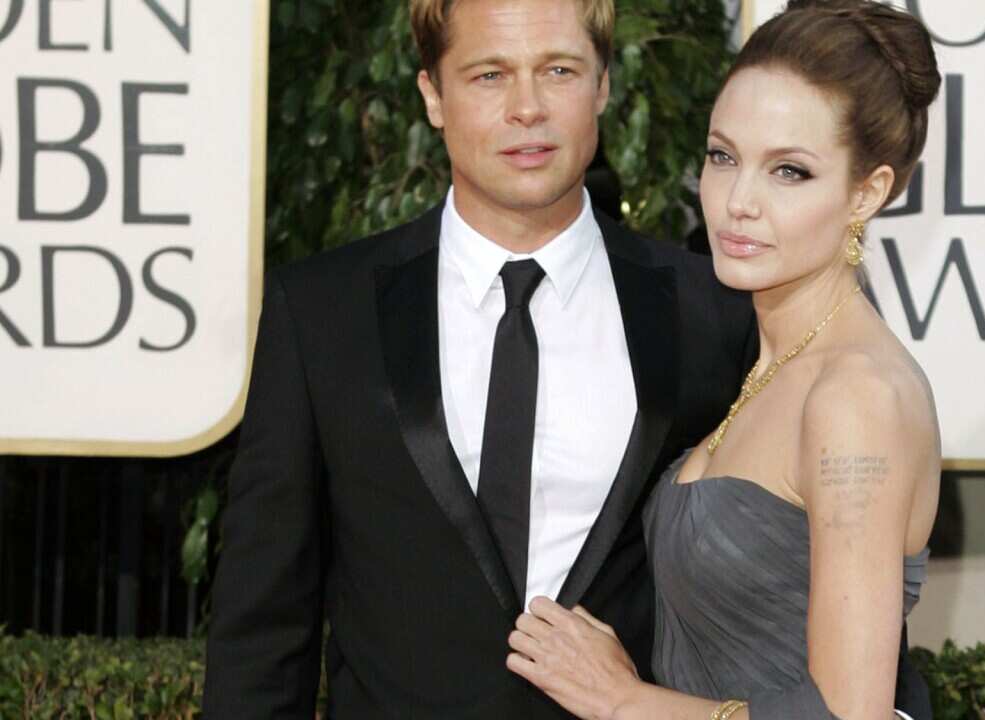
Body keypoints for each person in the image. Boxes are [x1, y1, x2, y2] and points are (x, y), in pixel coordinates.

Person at [201, 0, 927, 716]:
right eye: (489, 75)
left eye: (558, 69)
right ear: (432, 94)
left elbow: (837, 632)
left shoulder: (716, 313)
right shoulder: (324, 313)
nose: (527, 108)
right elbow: (263, 627)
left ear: (604, 84)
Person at [506, 2, 942, 718]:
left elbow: (849, 715)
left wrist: (624, 702)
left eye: (790, 172)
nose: (738, 201)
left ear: (867, 192)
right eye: (723, 156)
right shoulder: (769, 361)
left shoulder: (855, 397)